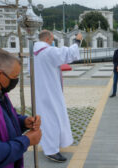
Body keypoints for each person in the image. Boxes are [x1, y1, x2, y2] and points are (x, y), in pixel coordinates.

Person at [34, 30, 82, 162]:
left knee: (47, 118)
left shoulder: (34, 52)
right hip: (50, 91)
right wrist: (77, 41)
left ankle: (51, 145)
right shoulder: (47, 51)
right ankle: (51, 151)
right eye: (52, 39)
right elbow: (67, 53)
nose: (53, 41)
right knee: (53, 118)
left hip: (41, 90)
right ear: (49, 38)